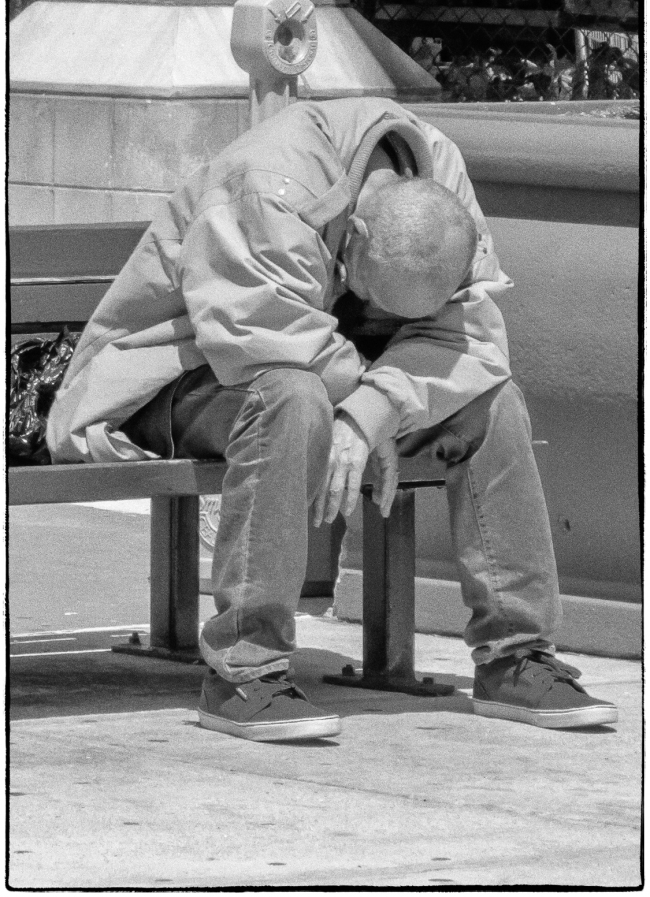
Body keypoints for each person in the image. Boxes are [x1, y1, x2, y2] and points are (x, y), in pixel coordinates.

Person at [47, 97, 618, 741]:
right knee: (292, 397)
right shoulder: (267, 183)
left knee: (493, 402)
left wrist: (371, 412)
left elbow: (471, 337)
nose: (383, 317)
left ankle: (515, 656)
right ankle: (244, 671)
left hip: (334, 382)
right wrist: (368, 402)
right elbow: (259, 334)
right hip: (179, 380)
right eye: (377, 298)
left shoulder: (441, 177)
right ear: (360, 237)